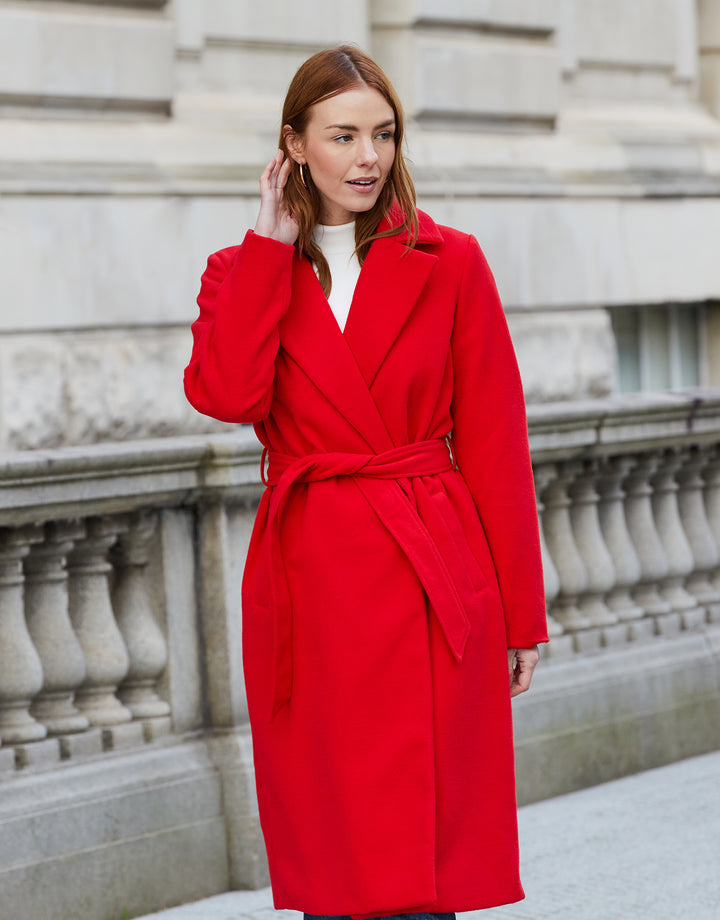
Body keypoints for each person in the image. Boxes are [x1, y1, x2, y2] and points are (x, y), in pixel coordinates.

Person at [184, 44, 548, 920]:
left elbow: (498, 444)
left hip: (431, 579)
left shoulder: (450, 260)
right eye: (342, 135)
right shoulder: (241, 273)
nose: (368, 157)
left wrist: (521, 614)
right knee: (336, 856)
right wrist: (273, 249)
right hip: (312, 581)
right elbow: (227, 395)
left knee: (424, 867)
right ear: (294, 145)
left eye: (382, 134)